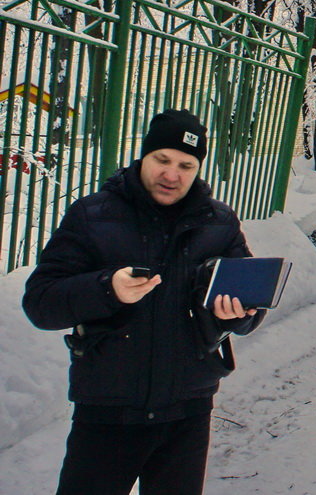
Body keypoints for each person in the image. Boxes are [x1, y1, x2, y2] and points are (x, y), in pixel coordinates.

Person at [23, 109, 265, 495]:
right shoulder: (92, 216)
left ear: (198, 168)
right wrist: (107, 289)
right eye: (163, 160)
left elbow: (251, 309)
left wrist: (238, 315)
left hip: (187, 412)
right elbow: (40, 303)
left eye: (186, 165)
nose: (172, 175)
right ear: (143, 156)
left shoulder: (218, 223)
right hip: (107, 413)